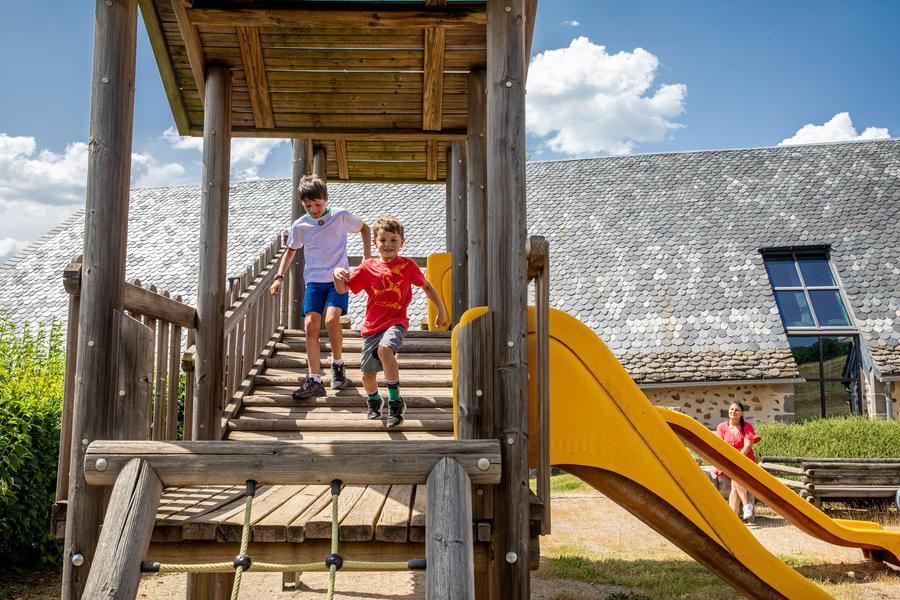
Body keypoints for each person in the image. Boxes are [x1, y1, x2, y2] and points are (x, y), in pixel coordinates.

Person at [333, 216, 448, 428]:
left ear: (402, 242)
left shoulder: (407, 266)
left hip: (396, 321)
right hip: (371, 326)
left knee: (385, 349)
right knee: (367, 377)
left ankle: (395, 402)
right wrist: (336, 274)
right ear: (375, 242)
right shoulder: (367, 267)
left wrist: (441, 311)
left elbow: (427, 286)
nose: (388, 244)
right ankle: (374, 400)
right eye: (383, 240)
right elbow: (343, 289)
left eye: (394, 240)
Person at [270, 175, 371, 399]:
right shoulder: (300, 225)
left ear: (326, 199)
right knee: (310, 325)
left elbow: (365, 228)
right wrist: (279, 277)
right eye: (308, 206)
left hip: (338, 278)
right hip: (314, 280)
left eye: (317, 204)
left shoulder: (340, 216)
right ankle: (314, 379)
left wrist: (366, 257)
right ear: (302, 204)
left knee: (332, 320)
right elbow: (290, 252)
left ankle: (338, 364)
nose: (314, 210)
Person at [715, 402, 762, 521]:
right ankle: (744, 508)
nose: (733, 412)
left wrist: (736, 460)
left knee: (735, 477)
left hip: (745, 460)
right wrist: (730, 461)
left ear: (742, 413)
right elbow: (719, 446)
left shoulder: (747, 426)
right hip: (728, 462)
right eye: (731, 409)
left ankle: (735, 516)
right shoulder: (721, 427)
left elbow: (748, 446)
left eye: (737, 410)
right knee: (735, 480)